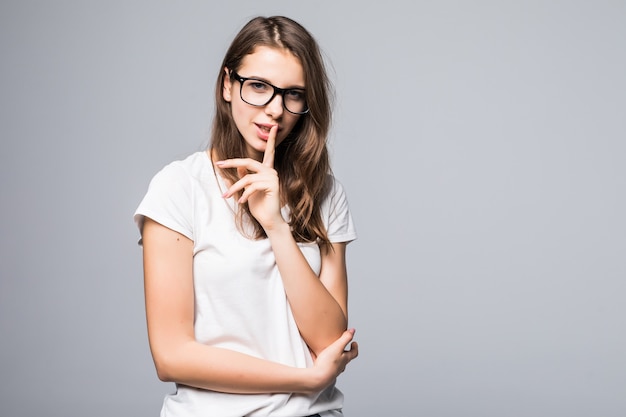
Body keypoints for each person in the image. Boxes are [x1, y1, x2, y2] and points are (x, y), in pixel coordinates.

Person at [134, 15, 359, 417]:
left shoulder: (324, 193)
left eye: (292, 94)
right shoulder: (180, 188)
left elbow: (329, 340)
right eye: (258, 87)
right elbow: (171, 356)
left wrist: (275, 225)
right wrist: (305, 379)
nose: (275, 109)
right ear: (227, 85)